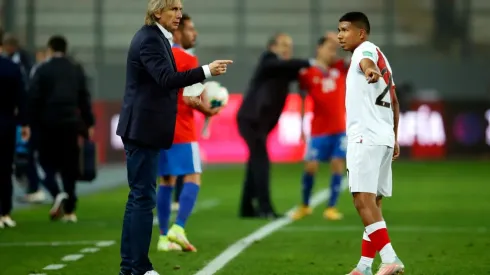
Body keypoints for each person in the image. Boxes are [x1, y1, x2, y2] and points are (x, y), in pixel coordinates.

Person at [115, 0, 232, 274]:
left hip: (146, 128)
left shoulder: (157, 38)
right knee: (142, 198)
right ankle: (139, 268)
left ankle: (131, 267)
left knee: (140, 197)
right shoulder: (150, 39)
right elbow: (166, 79)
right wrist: (206, 70)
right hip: (142, 129)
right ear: (157, 12)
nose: (179, 14)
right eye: (173, 9)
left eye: (180, 9)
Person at [337, 12, 404, 275]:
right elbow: (395, 102)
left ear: (361, 33)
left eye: (344, 30)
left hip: (365, 137)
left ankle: (390, 259)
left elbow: (366, 64)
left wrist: (369, 70)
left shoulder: (363, 51)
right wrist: (395, 137)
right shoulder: (383, 58)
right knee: (373, 204)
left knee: (361, 201)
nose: (340, 35)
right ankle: (364, 265)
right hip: (384, 137)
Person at [156, 13, 222, 252]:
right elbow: (192, 100)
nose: (195, 34)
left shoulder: (156, 56)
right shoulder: (187, 59)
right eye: (191, 29)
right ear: (178, 32)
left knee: (166, 180)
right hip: (181, 129)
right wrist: (209, 111)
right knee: (193, 176)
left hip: (158, 129)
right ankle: (179, 228)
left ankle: (163, 238)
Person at [236, 33, 312, 219]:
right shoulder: (268, 60)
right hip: (251, 119)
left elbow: (299, 74)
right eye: (284, 44)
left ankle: (246, 208)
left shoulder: (283, 68)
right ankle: (265, 208)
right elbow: (285, 65)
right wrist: (311, 61)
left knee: (255, 162)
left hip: (259, 122)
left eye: (290, 45)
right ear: (272, 47)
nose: (288, 48)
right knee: (261, 162)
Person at [28, 35, 95, 223]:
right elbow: (84, 98)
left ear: (50, 49)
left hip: (47, 124)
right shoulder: (75, 68)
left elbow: (33, 98)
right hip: (70, 124)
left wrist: (29, 123)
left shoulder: (43, 69)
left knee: (44, 163)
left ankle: (57, 193)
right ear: (65, 49)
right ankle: (70, 211)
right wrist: (88, 123)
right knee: (69, 167)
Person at [290, 35, 348, 221]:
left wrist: (338, 39)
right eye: (329, 48)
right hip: (318, 129)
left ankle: (331, 207)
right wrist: (301, 126)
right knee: (311, 166)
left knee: (338, 165)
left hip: (339, 128)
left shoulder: (340, 67)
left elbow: (354, 52)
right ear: (319, 48)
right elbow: (303, 99)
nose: (333, 51)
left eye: (334, 48)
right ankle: (305, 205)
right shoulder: (308, 73)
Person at [0, 42, 30, 229]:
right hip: (6, 124)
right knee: (5, 169)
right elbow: (22, 97)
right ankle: (5, 213)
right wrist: (24, 123)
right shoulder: (11, 67)